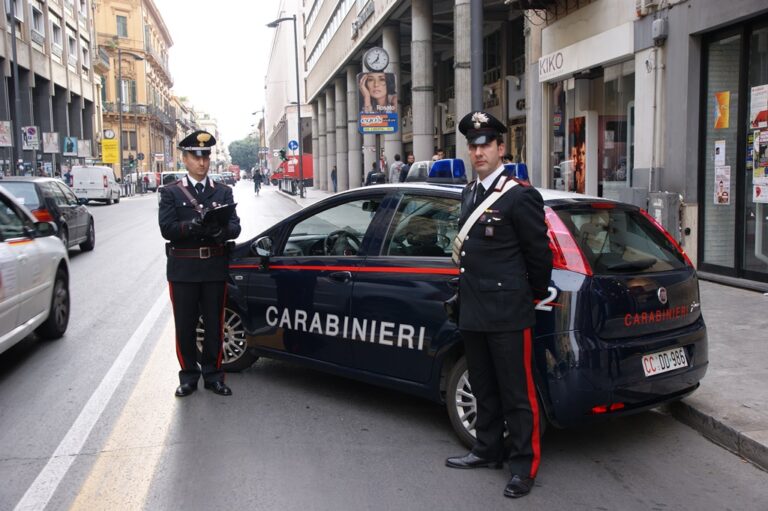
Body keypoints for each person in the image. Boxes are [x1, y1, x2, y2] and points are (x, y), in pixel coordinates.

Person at [445, 111, 553, 500]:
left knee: (517, 394)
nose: (478, 152)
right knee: (485, 387)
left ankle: (524, 467)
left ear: (500, 148)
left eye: (485, 145)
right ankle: (487, 449)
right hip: (474, 308)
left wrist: (532, 294)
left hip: (508, 313)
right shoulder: (470, 193)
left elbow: (539, 256)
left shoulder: (520, 195)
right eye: (472, 146)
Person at [158, 130, 241, 398]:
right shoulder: (171, 192)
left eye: (205, 156)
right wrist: (192, 226)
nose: (202, 162)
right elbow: (167, 228)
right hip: (183, 269)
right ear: (184, 159)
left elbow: (235, 226)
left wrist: (223, 232)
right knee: (185, 325)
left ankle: (214, 375)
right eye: (196, 157)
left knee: (215, 326)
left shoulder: (223, 191)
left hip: (214, 267)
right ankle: (189, 376)